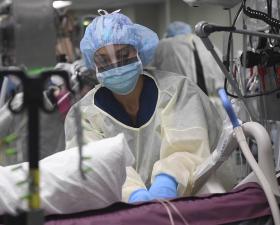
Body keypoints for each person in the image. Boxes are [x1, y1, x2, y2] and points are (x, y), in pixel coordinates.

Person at [64, 11, 222, 203]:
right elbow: (98, 166)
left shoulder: (177, 91)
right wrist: (134, 195)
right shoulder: (85, 115)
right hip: (121, 210)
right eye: (104, 60)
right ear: (93, 64)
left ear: (138, 50)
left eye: (123, 55)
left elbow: (190, 146)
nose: (115, 65)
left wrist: (168, 182)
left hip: (185, 202)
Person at [152, 21, 224, 96]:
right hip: (214, 96)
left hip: (180, 97)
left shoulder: (164, 44)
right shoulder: (203, 41)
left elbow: (148, 68)